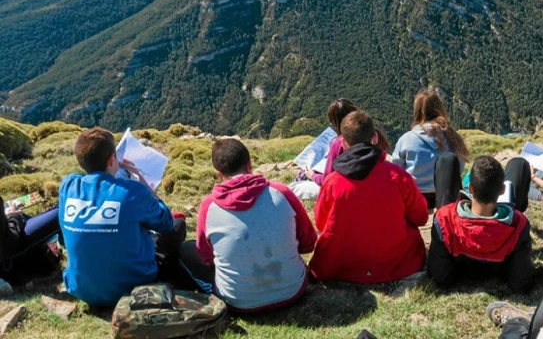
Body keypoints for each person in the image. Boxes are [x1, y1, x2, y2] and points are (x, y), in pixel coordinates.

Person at [179, 138, 317, 313]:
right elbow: (308, 243)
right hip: (293, 291)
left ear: (218, 173)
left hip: (237, 302)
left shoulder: (208, 206)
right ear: (249, 163)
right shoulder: (281, 192)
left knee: (186, 250)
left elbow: (206, 257)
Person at [59, 127, 185, 307]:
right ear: (112, 159)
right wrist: (141, 180)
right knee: (177, 225)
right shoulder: (132, 192)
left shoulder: (68, 186)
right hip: (131, 288)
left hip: (80, 288)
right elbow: (166, 222)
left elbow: (88, 181)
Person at [310, 110, 428, 283]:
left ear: (343, 142)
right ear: (374, 138)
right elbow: (421, 217)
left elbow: (321, 222)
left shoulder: (332, 182)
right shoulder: (397, 176)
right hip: (397, 265)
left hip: (340, 266)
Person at [428, 156, 534, 292]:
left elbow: (439, 277)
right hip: (502, 236)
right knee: (518, 163)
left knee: (446, 160)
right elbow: (521, 283)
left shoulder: (444, 219)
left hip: (457, 232)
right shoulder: (518, 224)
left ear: (470, 189)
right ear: (502, 190)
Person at [392, 90, 469, 208]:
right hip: (445, 197)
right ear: (440, 108)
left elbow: (396, 172)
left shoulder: (406, 139)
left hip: (414, 197)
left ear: (417, 111)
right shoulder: (452, 137)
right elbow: (459, 166)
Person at [0, 200, 61, 284]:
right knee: (64, 210)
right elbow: (8, 243)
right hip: (11, 250)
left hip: (9, 239)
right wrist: (13, 215)